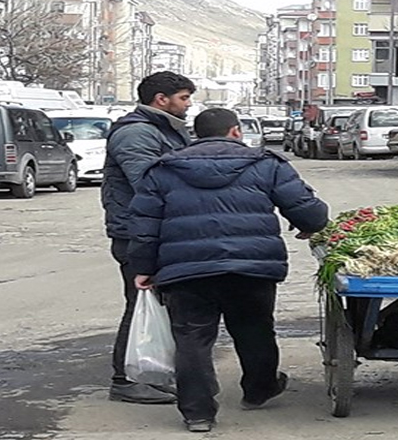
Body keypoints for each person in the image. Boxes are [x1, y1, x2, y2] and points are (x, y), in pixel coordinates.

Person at [127, 108, 329, 432]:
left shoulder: (163, 169)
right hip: (251, 265)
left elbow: (144, 225)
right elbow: (307, 209)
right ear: (235, 131)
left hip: (187, 269)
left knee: (192, 338)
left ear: (196, 134)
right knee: (255, 329)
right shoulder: (265, 164)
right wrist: (311, 224)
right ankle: (259, 390)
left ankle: (198, 413)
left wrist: (144, 268)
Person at [101, 71, 196, 405]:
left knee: (158, 305)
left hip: (157, 229)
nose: (188, 105)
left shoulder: (162, 129)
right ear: (161, 99)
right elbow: (149, 182)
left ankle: (151, 373)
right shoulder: (136, 133)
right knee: (140, 303)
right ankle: (126, 379)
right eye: (184, 98)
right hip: (138, 233)